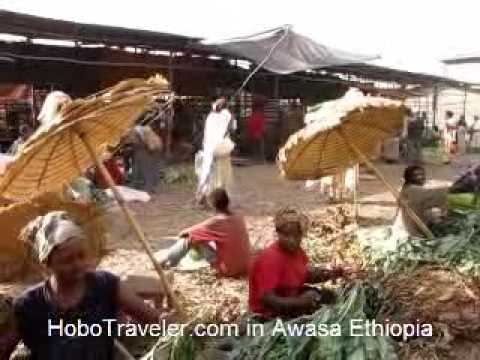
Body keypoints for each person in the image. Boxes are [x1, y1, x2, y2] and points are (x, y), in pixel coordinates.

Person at [0, 211, 173, 359]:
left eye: (82, 256)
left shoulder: (106, 285)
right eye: (67, 260)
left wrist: (170, 323)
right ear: (47, 263)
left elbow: (152, 319)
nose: (78, 265)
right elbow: (5, 348)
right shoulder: (29, 304)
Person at [248, 206, 353, 318]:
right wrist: (301, 302)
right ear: (278, 233)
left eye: (296, 235)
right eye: (286, 235)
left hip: (289, 298)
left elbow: (302, 275)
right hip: (269, 313)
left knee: (329, 297)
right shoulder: (269, 259)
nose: (291, 240)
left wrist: (330, 274)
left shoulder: (297, 252)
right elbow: (267, 299)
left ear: (301, 235)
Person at [159, 188, 250, 277]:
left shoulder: (216, 222)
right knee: (205, 238)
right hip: (244, 267)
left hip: (228, 270)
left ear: (212, 206)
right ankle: (168, 260)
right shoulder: (239, 216)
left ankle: (167, 261)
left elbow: (185, 233)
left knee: (190, 238)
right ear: (228, 201)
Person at [195, 97, 236, 206]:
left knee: (207, 173)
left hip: (210, 149)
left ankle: (203, 196)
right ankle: (214, 199)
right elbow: (231, 127)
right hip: (220, 149)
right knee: (220, 175)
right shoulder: (226, 115)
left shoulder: (210, 117)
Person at [393, 166, 448, 238]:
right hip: (417, 230)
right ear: (408, 178)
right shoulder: (413, 190)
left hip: (413, 226)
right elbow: (435, 194)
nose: (421, 177)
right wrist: (455, 189)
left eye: (422, 174)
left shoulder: (407, 189)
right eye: (416, 175)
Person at [129, 125, 163, 194]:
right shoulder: (150, 135)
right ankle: (151, 187)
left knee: (147, 171)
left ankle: (148, 187)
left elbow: (151, 148)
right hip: (151, 154)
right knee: (151, 170)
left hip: (150, 155)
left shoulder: (146, 135)